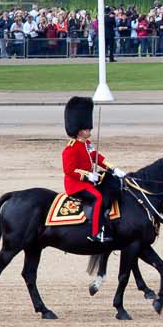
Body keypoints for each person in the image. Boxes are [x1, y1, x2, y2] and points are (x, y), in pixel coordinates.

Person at [61, 95, 118, 243]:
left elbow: (96, 157)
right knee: (98, 197)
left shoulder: (87, 144)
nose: (89, 131)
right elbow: (69, 170)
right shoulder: (71, 149)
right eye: (87, 129)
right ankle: (96, 232)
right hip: (75, 185)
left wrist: (113, 168)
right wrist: (87, 176)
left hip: (89, 180)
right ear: (79, 130)